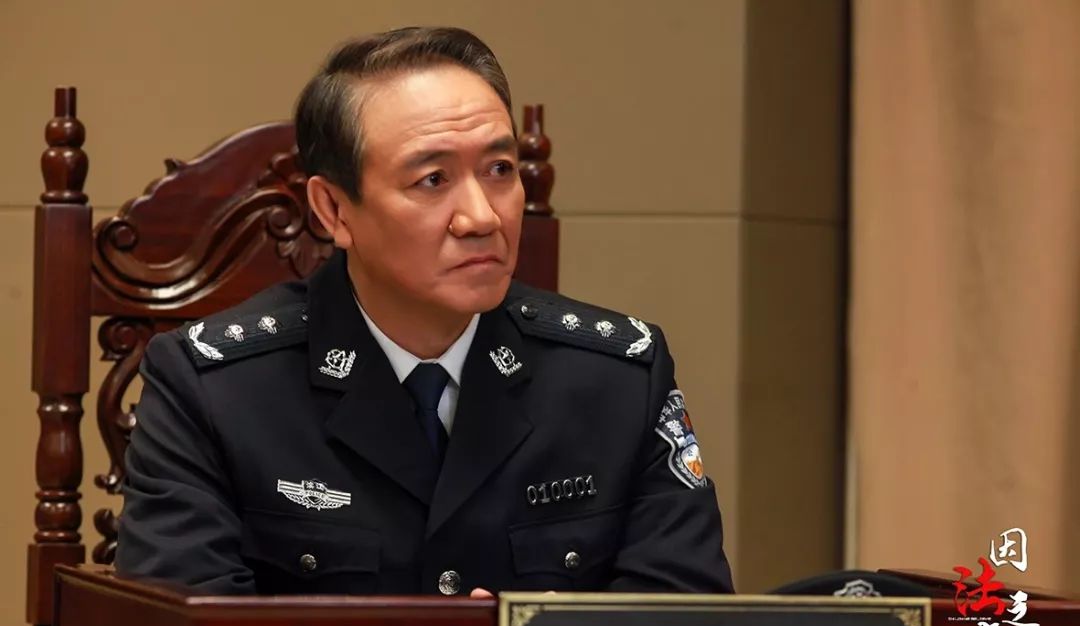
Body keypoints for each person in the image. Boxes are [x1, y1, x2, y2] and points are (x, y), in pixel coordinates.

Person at [116, 26, 734, 597]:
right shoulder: (213, 388)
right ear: (334, 211)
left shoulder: (618, 378)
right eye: (433, 180)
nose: (482, 218)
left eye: (500, 170)